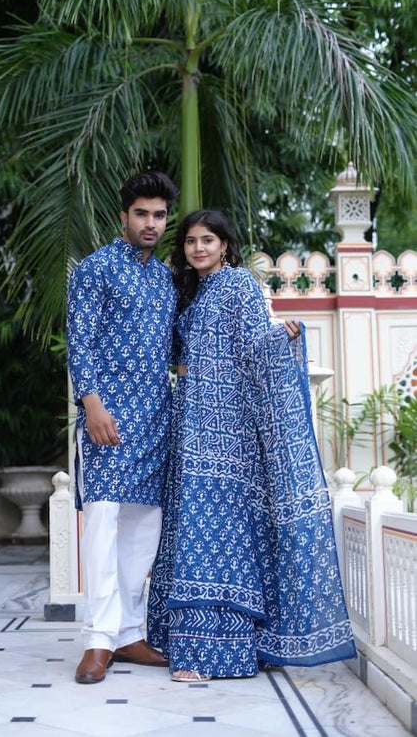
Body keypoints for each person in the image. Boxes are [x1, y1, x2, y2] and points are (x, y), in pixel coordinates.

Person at [147, 209, 356, 682]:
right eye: (191, 241)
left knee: (218, 531)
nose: (198, 248)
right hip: (191, 423)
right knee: (191, 530)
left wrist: (283, 338)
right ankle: (198, 647)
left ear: (224, 245)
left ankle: (211, 656)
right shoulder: (192, 291)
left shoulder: (239, 284)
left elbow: (253, 345)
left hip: (228, 432)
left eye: (208, 240)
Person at [66, 171, 179, 684]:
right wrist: (92, 404)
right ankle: (97, 639)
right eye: (142, 214)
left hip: (156, 418)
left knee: (143, 529)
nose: (151, 223)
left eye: (159, 215)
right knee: (105, 522)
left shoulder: (165, 278)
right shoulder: (95, 269)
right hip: (106, 419)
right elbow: (79, 341)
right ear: (124, 216)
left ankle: (130, 632)